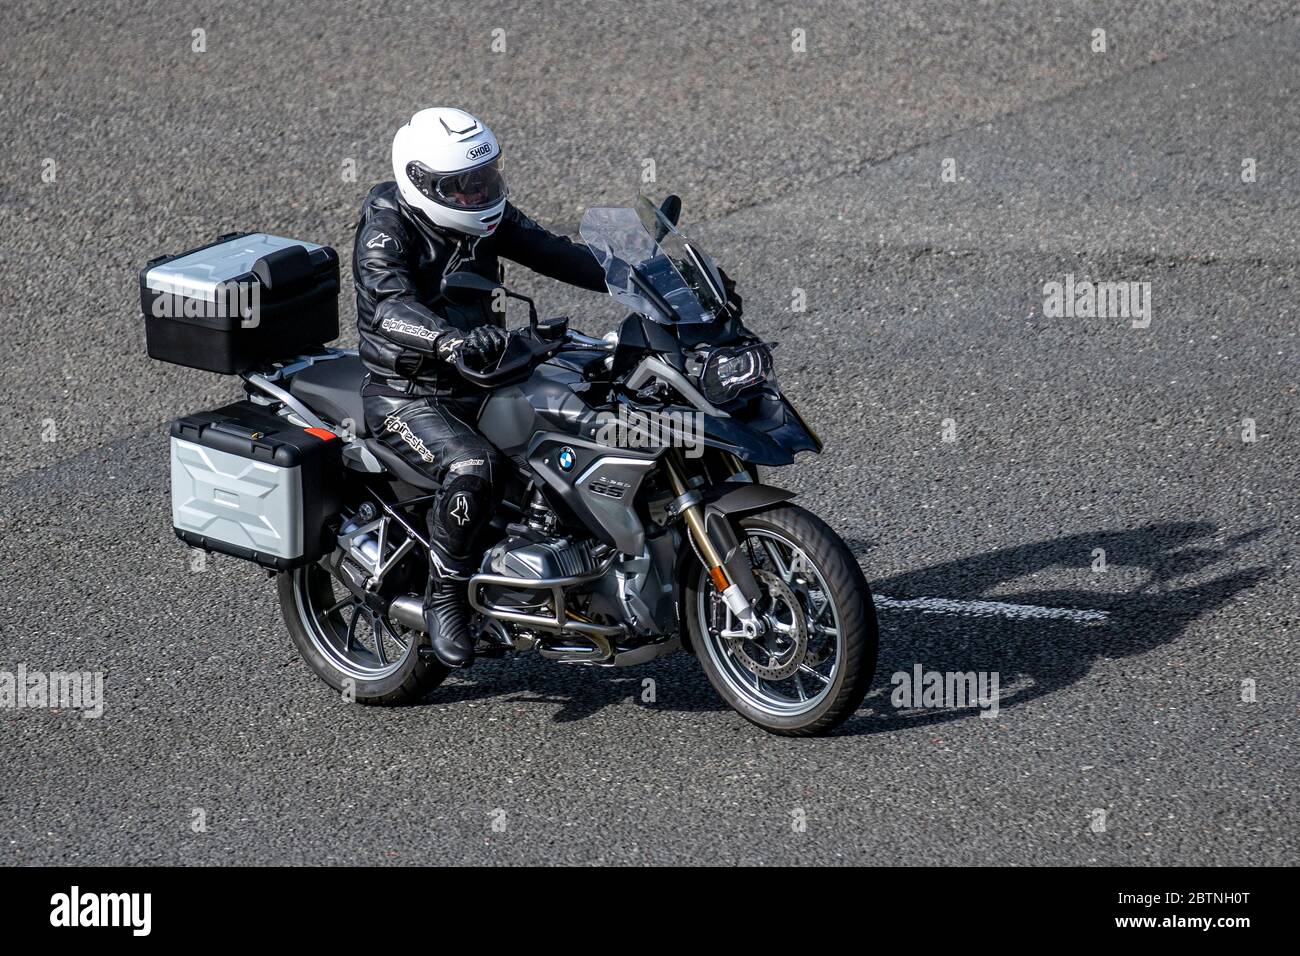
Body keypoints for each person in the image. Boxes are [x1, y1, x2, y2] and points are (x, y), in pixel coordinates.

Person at [354, 107, 607, 668]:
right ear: (419, 182)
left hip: (484, 369)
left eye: (485, 179)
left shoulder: (485, 216)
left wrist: (647, 271)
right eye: (462, 187)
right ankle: (447, 594)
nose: (477, 194)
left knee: (586, 418)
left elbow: (557, 252)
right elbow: (391, 304)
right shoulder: (386, 224)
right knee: (475, 468)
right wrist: (446, 341)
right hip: (409, 390)